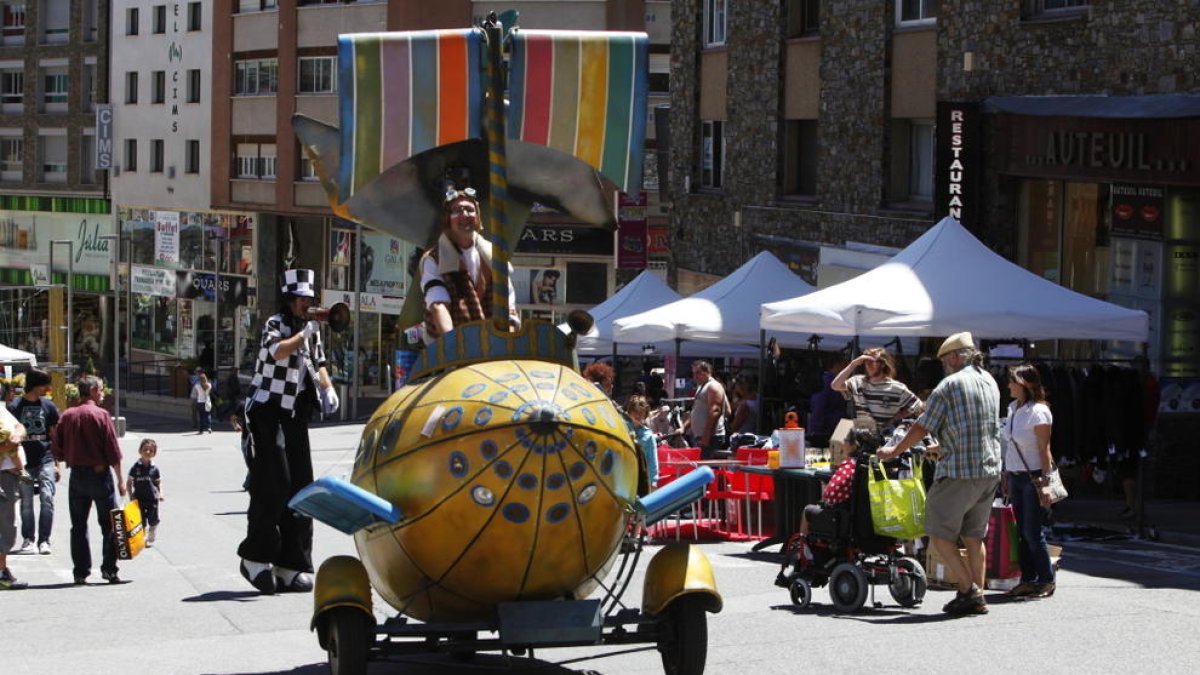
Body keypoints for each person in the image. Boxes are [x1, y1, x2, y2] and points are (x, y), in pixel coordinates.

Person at [878, 332, 1001, 616]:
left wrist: (894, 450)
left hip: (959, 471)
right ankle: (977, 595)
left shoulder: (950, 384)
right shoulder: (990, 380)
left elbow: (922, 426)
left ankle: (969, 590)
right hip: (989, 469)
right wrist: (943, 444)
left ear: (956, 357)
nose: (945, 364)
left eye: (946, 359)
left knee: (937, 533)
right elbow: (976, 428)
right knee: (973, 537)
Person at [238, 268, 340, 596]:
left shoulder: (312, 331)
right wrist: (304, 333)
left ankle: (292, 564)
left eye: (309, 298)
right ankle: (255, 558)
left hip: (295, 412)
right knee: (272, 485)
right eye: (301, 299)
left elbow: (319, 362)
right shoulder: (274, 324)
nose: (306, 304)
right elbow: (277, 351)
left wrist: (327, 388)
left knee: (300, 486)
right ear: (289, 300)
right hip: (266, 410)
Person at [420, 186, 521, 341]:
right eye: (457, 210)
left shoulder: (495, 256)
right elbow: (438, 305)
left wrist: (508, 341)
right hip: (449, 349)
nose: (464, 215)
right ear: (448, 219)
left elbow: (508, 306)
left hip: (491, 344)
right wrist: (453, 345)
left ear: (478, 217)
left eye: (469, 209)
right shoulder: (434, 259)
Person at [52, 375, 126, 585]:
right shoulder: (101, 415)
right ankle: (109, 569)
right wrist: (121, 480)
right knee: (109, 524)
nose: (103, 393)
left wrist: (60, 463)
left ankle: (80, 571)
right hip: (100, 475)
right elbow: (113, 451)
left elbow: (57, 446)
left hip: (77, 475)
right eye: (101, 389)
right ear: (93, 390)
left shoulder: (67, 415)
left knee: (78, 525)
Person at [1002, 364, 1056, 599]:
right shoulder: (1013, 408)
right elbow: (1009, 445)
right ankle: (1027, 579)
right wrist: (1005, 474)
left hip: (1033, 476)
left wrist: (1045, 483)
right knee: (1021, 533)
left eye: (1012, 381)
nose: (1009, 386)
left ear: (1026, 384)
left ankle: (1046, 579)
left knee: (1033, 532)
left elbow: (1045, 450)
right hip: (1015, 475)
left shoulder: (1039, 412)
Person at [7, 368, 60, 555]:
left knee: (47, 498)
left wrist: (56, 463)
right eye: (45, 384)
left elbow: (54, 436)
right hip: (24, 461)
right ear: (35, 385)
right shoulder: (14, 407)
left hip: (45, 458)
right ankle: (28, 539)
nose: (48, 388)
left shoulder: (49, 406)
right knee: (26, 501)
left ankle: (44, 540)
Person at [832, 347, 923, 431]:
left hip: (884, 438)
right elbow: (835, 385)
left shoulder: (897, 388)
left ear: (882, 364)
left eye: (872, 361)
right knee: (841, 435)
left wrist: (895, 418)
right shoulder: (857, 382)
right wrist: (853, 364)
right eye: (866, 361)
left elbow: (918, 406)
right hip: (862, 435)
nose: (868, 364)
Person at [1, 403, 28, 589]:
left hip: (10, 476)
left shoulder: (1, 409)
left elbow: (20, 426)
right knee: (5, 528)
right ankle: (2, 573)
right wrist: (5, 447)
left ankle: (2, 569)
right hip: (4, 477)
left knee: (7, 527)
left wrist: (17, 435)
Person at [685, 360, 728, 459]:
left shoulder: (713, 386)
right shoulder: (702, 386)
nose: (695, 376)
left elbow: (715, 411)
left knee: (707, 470)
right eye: (693, 373)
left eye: (698, 373)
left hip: (710, 438)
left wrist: (706, 436)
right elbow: (696, 409)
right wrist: (684, 427)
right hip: (701, 436)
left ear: (707, 372)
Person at [126, 439, 164, 547]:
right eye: (145, 449)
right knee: (141, 521)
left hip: (152, 498)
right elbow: (129, 482)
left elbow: (159, 482)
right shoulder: (135, 467)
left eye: (151, 450)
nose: (148, 452)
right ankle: (143, 539)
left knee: (153, 519)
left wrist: (161, 494)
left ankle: (152, 531)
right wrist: (131, 495)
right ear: (140, 451)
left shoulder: (154, 468)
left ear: (154, 453)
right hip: (139, 498)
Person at [625, 394, 658, 491]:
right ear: (629, 412)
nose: (638, 415)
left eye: (641, 412)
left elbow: (652, 460)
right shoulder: (623, 429)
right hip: (626, 475)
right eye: (635, 412)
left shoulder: (649, 436)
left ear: (645, 414)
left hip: (642, 477)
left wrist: (654, 480)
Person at [807, 368, 847, 448]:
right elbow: (819, 407)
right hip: (826, 429)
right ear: (838, 365)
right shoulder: (828, 381)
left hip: (834, 427)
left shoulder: (828, 380)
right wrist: (815, 432)